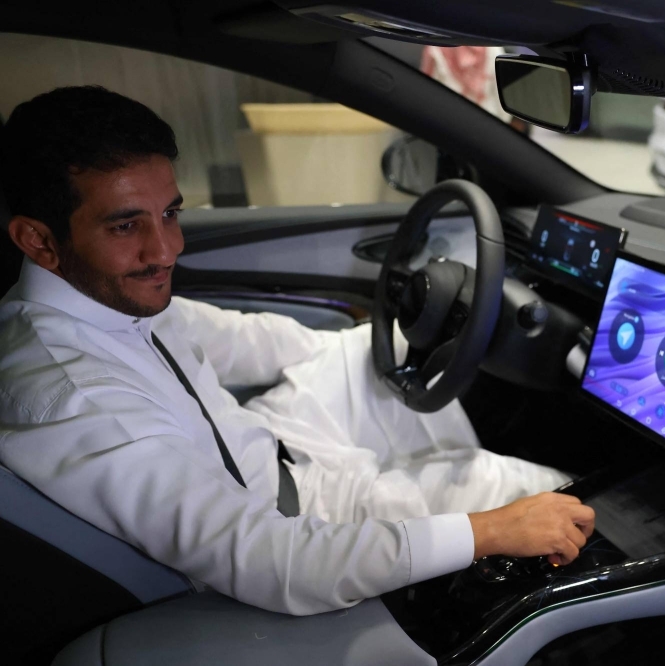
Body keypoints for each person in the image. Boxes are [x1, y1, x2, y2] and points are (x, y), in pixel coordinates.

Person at [0, 86, 594, 615]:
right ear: (38, 240)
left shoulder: (107, 303)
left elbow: (249, 340)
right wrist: (489, 530)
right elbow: (275, 561)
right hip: (300, 523)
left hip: (282, 446)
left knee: (375, 348)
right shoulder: (79, 403)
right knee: (547, 491)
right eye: (126, 226)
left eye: (171, 214)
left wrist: (383, 344)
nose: (166, 250)